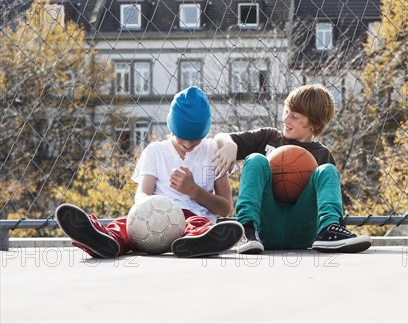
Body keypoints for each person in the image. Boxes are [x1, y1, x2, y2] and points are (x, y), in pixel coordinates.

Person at [55, 86, 243, 258]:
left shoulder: (214, 153)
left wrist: (194, 190)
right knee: (125, 225)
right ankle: (102, 240)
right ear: (171, 127)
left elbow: (225, 208)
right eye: (181, 138)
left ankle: (198, 243)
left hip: (193, 219)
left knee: (198, 225)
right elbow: (142, 193)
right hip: (152, 221)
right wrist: (151, 209)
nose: (187, 145)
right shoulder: (155, 151)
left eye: (195, 140)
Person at [213, 84, 371, 254]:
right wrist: (229, 144)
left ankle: (329, 230)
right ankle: (245, 229)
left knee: (327, 170)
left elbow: (328, 198)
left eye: (295, 116)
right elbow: (220, 136)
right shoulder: (268, 137)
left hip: (302, 230)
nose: (286, 119)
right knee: (255, 159)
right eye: (286, 112)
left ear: (315, 124)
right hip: (264, 228)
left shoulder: (322, 155)